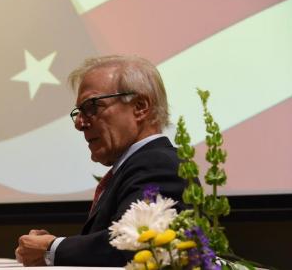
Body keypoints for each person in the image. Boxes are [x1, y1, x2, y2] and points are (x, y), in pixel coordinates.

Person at [15, 55, 189, 267]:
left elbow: (132, 246)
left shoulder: (157, 164)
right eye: (78, 112)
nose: (79, 124)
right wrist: (55, 248)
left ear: (140, 106)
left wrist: (52, 248)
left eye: (92, 107)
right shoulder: (138, 165)